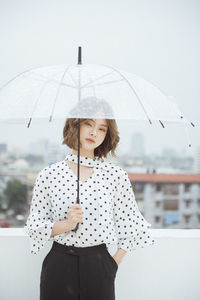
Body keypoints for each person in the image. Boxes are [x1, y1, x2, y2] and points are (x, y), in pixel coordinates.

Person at [24, 98, 156, 300]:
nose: (94, 133)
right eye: (89, 124)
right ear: (74, 124)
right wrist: (67, 224)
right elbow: (35, 226)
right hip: (59, 265)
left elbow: (132, 226)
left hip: (99, 265)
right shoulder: (49, 174)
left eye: (102, 128)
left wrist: (112, 264)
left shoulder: (115, 175)